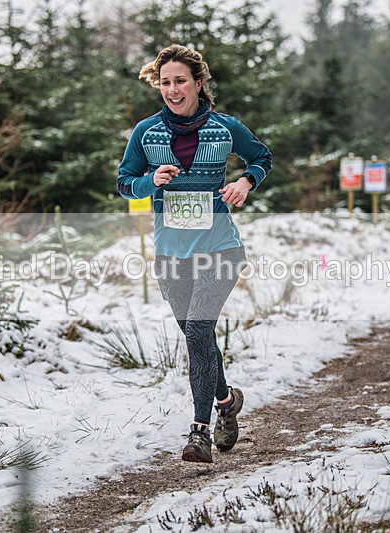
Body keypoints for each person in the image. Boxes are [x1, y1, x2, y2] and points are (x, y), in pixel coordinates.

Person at [117, 44, 272, 463]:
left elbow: (261, 157)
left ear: (198, 83)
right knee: (198, 337)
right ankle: (226, 401)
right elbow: (124, 182)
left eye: (180, 81)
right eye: (165, 82)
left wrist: (244, 183)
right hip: (171, 254)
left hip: (220, 249)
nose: (172, 89)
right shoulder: (146, 132)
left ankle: (199, 432)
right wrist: (150, 181)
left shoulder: (225, 127)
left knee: (199, 331)